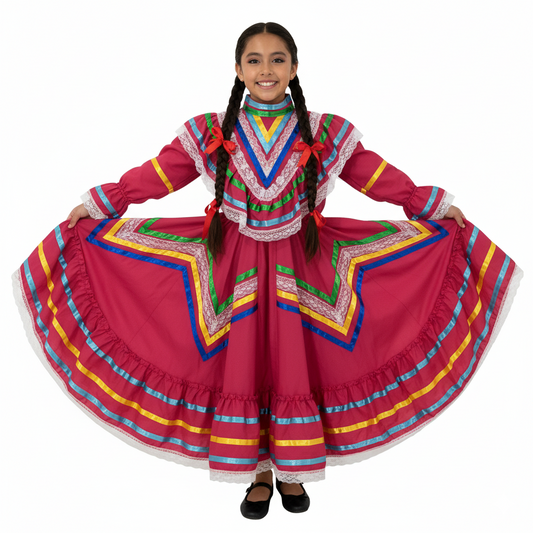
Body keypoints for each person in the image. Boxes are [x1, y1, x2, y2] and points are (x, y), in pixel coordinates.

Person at [13, 22, 522, 520]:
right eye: (254, 60)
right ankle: (257, 471)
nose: (266, 70)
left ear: (294, 67)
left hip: (305, 268)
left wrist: (427, 204)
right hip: (229, 269)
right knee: (244, 362)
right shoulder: (213, 131)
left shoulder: (323, 131)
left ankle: (292, 468)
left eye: (277, 60)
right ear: (237, 69)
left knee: (293, 362)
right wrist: (103, 202)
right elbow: (161, 173)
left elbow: (373, 175)